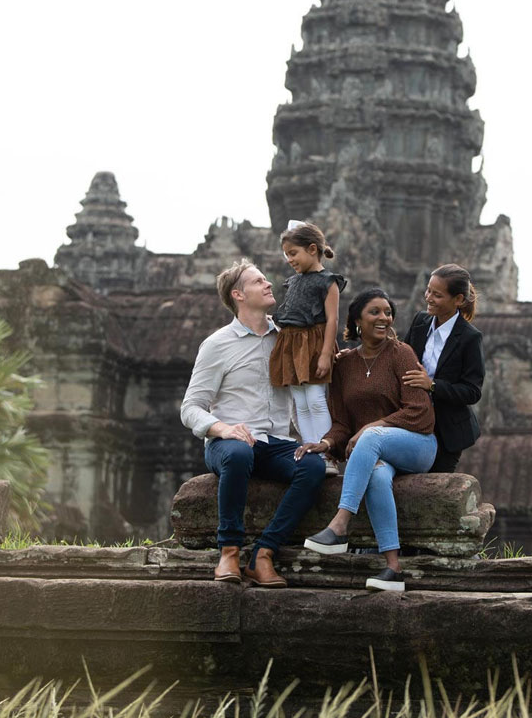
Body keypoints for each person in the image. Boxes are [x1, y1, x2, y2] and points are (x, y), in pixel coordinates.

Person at [181, 259, 326, 586]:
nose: (268, 284)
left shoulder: (286, 337)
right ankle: (229, 551)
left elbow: (316, 379)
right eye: (258, 281)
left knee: (313, 467)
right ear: (238, 295)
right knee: (239, 453)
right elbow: (191, 407)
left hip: (275, 444)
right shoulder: (218, 344)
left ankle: (264, 553)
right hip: (228, 444)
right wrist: (223, 429)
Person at [295, 288, 437, 592]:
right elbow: (343, 423)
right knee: (375, 475)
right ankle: (392, 568)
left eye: (388, 312)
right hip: (373, 451)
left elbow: (421, 413)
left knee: (371, 437)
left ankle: (340, 524)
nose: (384, 317)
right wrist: (326, 443)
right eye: (375, 312)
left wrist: (373, 426)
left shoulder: (402, 354)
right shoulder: (344, 365)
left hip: (417, 444)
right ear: (357, 320)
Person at [269, 220, 346, 477]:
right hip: (292, 345)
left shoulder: (328, 281)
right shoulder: (292, 282)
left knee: (315, 399)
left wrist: (326, 354)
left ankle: (326, 453)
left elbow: (332, 320)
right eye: (287, 254)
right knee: (299, 403)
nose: (289, 259)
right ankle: (309, 452)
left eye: (293, 253)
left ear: (312, 249)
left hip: (314, 344)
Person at [402, 264, 485, 472]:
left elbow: (472, 391)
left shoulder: (469, 338)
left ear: (458, 300)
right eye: (428, 290)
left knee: (431, 489)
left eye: (437, 295)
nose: (428, 297)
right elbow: (401, 359)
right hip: (413, 419)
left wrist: (432, 386)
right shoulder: (420, 321)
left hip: (447, 431)